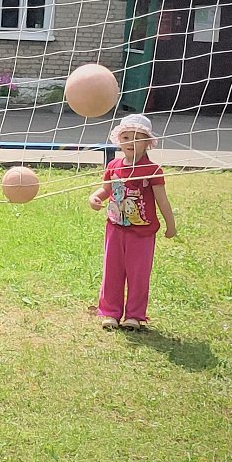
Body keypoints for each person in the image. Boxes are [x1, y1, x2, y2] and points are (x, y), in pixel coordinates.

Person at [89, 114, 176, 330]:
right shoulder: (114, 165)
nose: (130, 142)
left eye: (137, 138)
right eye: (126, 137)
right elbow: (106, 189)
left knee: (138, 274)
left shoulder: (152, 170)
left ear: (148, 143)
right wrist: (95, 197)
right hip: (115, 229)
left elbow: (162, 200)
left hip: (142, 233)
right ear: (119, 140)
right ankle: (110, 313)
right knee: (112, 271)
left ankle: (135, 316)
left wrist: (170, 225)